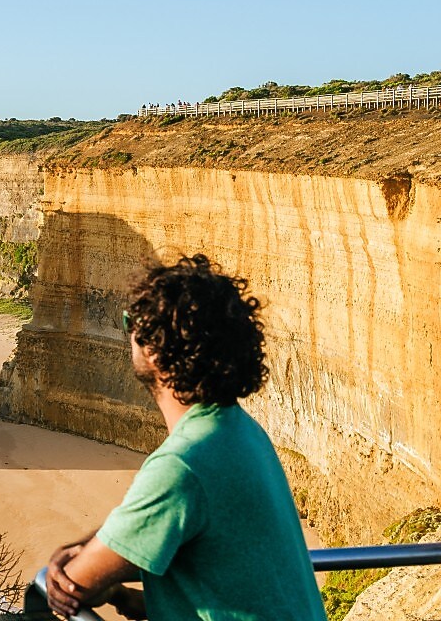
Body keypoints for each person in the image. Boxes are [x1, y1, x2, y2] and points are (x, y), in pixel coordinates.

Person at [45, 254, 325, 620]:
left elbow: (76, 581)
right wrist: (136, 600)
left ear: (155, 351)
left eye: (132, 324)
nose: (128, 332)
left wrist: (74, 558)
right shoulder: (240, 430)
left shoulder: (182, 465)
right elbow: (227, 571)